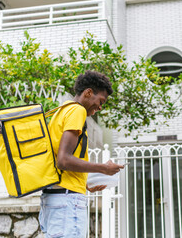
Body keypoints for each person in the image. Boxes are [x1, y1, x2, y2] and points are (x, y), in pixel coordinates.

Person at [39, 70, 124, 238]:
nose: (100, 107)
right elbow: (63, 160)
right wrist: (103, 168)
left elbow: (57, 157)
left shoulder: (61, 111)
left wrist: (84, 185)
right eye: (101, 101)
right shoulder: (77, 111)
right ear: (88, 93)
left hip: (54, 199)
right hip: (66, 203)